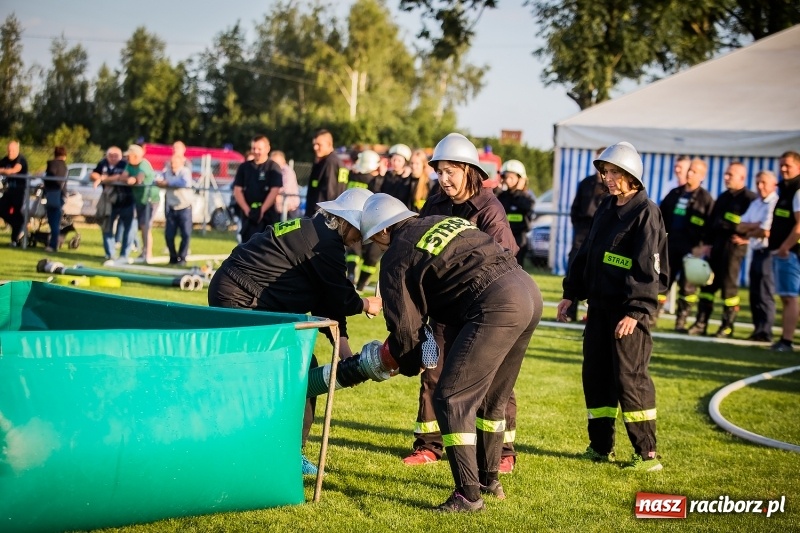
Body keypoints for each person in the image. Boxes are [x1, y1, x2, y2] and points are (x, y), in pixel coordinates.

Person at [360, 193, 542, 512]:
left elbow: (404, 324)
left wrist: (409, 360)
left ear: (381, 231)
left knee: (450, 398)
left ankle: (468, 496)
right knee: (493, 398)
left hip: (495, 304)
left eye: (374, 238)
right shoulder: (440, 221)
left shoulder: (396, 254)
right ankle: (489, 480)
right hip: (527, 291)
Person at [207, 188, 382, 475]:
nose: (363, 238)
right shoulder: (327, 244)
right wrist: (365, 303)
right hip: (241, 299)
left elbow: (325, 300)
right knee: (299, 365)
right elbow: (340, 298)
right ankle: (287, 453)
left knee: (283, 367)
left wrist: (344, 348)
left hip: (234, 291)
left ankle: (267, 445)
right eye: (362, 229)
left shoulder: (314, 230)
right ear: (348, 222)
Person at [403, 133, 521, 475]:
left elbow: (505, 259)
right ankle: (428, 445)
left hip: (482, 309)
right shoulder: (435, 205)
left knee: (494, 380)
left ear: (470, 170)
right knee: (434, 375)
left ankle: (503, 451)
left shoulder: (489, 209)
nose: (444, 179)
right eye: (440, 171)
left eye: (451, 171)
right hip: (442, 307)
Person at [557, 142, 668, 473]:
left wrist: (635, 312)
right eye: (605, 172)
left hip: (627, 314)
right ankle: (600, 446)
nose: (607, 178)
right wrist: (570, 293)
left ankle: (646, 455)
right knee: (596, 376)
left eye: (614, 172)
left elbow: (649, 268)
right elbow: (587, 252)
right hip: (599, 310)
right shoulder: (606, 207)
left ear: (632, 176)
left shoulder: (647, 212)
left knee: (629, 379)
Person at [686, 162, 756, 337]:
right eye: (725, 174)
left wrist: (747, 238)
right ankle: (701, 323)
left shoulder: (749, 198)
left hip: (733, 248)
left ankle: (727, 326)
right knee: (708, 286)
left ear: (742, 177)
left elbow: (757, 224)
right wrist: (708, 244)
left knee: (729, 288)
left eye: (730, 175)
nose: (726, 178)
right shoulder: (723, 196)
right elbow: (712, 223)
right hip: (716, 246)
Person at [659, 158, 715, 332]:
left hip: (692, 248)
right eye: (689, 170)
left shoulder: (705, 199)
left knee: (687, 286)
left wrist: (704, 246)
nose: (689, 173)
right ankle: (652, 316)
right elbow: (660, 217)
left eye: (694, 172)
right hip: (671, 244)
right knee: (663, 281)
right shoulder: (674, 193)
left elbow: (711, 226)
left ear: (702, 176)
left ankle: (680, 322)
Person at [354, 143, 413, 291]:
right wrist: (380, 176)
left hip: (393, 225)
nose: (395, 162)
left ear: (404, 163)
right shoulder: (384, 177)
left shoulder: (406, 180)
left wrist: (409, 177)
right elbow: (374, 192)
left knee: (373, 256)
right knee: (362, 252)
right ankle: (356, 283)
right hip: (377, 221)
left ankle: (361, 284)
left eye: (399, 160)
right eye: (394, 159)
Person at [565, 147, 609, 321]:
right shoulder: (586, 182)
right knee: (574, 267)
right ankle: (570, 311)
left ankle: (592, 313)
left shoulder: (610, 186)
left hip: (601, 232)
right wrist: (578, 225)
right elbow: (575, 207)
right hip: (582, 230)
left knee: (598, 271)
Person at [735, 170, 779, 342]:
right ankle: (758, 329)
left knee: (765, 292)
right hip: (756, 251)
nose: (760, 187)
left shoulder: (774, 203)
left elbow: (766, 231)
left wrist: (751, 228)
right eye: (758, 183)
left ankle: (766, 330)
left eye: (764, 183)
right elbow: (740, 225)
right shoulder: (756, 203)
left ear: (773, 185)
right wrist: (755, 226)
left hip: (768, 252)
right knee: (754, 292)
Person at [767, 151, 800, 352]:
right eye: (781, 165)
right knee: (786, 297)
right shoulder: (787, 189)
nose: (783, 169)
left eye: (787, 165)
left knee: (789, 297)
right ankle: (785, 338)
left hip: (790, 252)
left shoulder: (797, 190)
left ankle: (787, 341)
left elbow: (799, 225)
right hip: (786, 251)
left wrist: (785, 247)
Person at [232, 135, 283, 243]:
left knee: (267, 246)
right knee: (247, 245)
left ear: (267, 148)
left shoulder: (273, 167)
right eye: (253, 148)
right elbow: (237, 190)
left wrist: (262, 210)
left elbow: (274, 191)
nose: (256, 151)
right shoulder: (244, 167)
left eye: (259, 149)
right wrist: (247, 210)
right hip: (248, 214)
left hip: (267, 215)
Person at [91, 146, 134, 261]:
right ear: (107, 156)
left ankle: (124, 255)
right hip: (109, 202)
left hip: (126, 200)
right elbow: (93, 174)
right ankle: (110, 254)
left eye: (116, 156)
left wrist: (103, 179)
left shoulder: (125, 164)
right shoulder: (103, 163)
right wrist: (100, 177)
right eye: (111, 155)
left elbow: (121, 177)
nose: (113, 158)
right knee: (106, 227)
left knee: (128, 228)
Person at [345, 150, 381, 282]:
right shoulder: (373, 180)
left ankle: (351, 275)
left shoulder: (352, 176)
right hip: (369, 221)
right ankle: (361, 285)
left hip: (352, 218)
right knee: (370, 255)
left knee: (353, 250)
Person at [125, 144, 160, 263]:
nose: (127, 158)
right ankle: (144, 251)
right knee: (142, 227)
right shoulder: (129, 165)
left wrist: (133, 179)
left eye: (129, 155)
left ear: (135, 156)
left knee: (146, 226)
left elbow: (139, 178)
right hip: (140, 200)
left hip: (150, 200)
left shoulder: (143, 164)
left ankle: (148, 254)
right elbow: (123, 176)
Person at [157, 153, 194, 265]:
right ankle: (173, 257)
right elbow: (157, 180)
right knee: (169, 235)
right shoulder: (166, 172)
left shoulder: (185, 171)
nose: (173, 165)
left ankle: (182, 258)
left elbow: (184, 182)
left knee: (186, 234)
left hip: (184, 207)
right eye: (171, 163)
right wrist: (160, 182)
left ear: (181, 163)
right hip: (172, 208)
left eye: (175, 163)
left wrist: (168, 183)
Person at [496, 159, 535, 266]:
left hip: (519, 238)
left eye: (511, 177)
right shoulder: (501, 196)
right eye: (506, 177)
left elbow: (527, 207)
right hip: (503, 236)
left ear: (520, 179)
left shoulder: (526, 198)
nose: (508, 181)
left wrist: (518, 191)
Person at [304, 129, 348, 217]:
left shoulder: (330, 162)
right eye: (314, 144)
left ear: (329, 144)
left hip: (323, 215)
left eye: (319, 145)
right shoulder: (333, 161)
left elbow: (329, 193)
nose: (315, 148)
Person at [0, 141, 29, 246]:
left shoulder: (20, 159)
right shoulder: (5, 160)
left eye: (12, 150)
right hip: (9, 191)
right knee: (1, 208)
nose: (10, 153)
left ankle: (15, 239)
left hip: (19, 191)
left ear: (17, 150)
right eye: (9, 150)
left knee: (18, 213)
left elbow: (14, 170)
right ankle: (17, 225)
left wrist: (3, 170)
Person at [42, 146, 68, 252]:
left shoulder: (52, 164)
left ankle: (53, 245)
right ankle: (54, 243)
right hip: (61, 196)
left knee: (53, 222)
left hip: (53, 195)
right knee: (56, 221)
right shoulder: (65, 167)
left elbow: (49, 178)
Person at [270, 150, 301, 221]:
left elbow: (284, 189)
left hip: (289, 209)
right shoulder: (276, 172)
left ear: (282, 161)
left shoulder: (286, 172)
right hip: (281, 208)